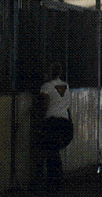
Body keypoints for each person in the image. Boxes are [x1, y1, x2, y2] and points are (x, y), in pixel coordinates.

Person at [33, 62, 73, 194]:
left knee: (49, 153)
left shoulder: (46, 86)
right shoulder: (66, 86)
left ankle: (51, 184)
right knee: (53, 152)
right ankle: (56, 183)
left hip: (52, 124)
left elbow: (45, 104)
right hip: (65, 124)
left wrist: (40, 119)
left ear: (50, 73)